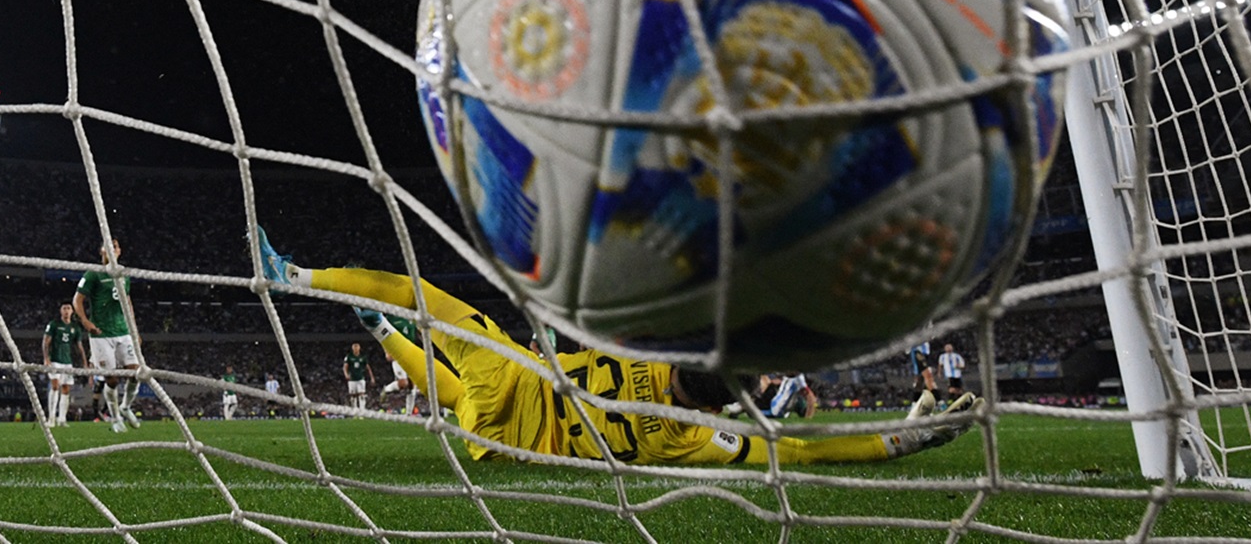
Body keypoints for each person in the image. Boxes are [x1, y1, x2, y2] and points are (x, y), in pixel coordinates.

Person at [253, 226, 983, 465]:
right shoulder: (695, 443)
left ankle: (302, 278)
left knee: (422, 299)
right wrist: (896, 443)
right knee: (451, 400)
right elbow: (799, 452)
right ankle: (377, 329)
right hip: (504, 445)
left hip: (514, 375)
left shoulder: (647, 343)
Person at [73, 238, 141, 433]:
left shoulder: (123, 274)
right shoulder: (93, 273)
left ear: (119, 251)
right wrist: (86, 322)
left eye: (116, 245)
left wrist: (134, 331)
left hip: (123, 332)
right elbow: (77, 300)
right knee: (111, 379)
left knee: (136, 373)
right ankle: (115, 418)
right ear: (101, 250)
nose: (112, 248)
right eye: (108, 245)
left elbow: (128, 303)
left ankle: (126, 407)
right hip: (101, 334)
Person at [42, 302, 88, 428]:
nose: (66, 310)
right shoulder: (54, 324)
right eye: (64, 308)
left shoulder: (75, 327)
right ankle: (51, 418)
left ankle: (62, 418)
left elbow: (79, 346)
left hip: (68, 362)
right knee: (55, 386)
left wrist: (85, 362)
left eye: (68, 308)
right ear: (60, 311)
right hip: (54, 360)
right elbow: (46, 342)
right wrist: (46, 359)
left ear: (72, 311)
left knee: (66, 389)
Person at [343, 342, 375, 412]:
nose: (356, 349)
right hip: (352, 379)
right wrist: (346, 374)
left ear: (359, 348)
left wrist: (372, 377)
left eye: (357, 347)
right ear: (352, 348)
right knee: (353, 396)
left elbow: (368, 368)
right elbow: (345, 367)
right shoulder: (349, 357)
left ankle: (362, 411)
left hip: (360, 378)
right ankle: (354, 411)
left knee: (362, 394)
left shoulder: (363, 357)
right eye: (354, 347)